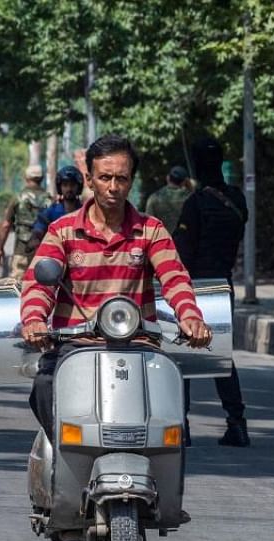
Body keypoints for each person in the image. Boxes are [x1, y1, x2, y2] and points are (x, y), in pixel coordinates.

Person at [20, 134, 212, 438]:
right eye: (105, 177)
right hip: (76, 345)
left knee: (172, 408)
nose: (113, 186)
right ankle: (60, 454)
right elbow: (38, 283)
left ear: (131, 180)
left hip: (139, 344)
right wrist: (33, 319)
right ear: (89, 179)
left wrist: (190, 315)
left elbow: (174, 277)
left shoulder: (151, 230)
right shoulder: (63, 230)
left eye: (121, 178)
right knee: (44, 385)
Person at [173, 138, 251, 447]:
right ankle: (237, 423)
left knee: (182, 355)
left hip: (194, 287)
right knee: (220, 356)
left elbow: (182, 253)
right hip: (223, 284)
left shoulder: (195, 203)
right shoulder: (236, 200)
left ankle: (182, 426)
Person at [0, 165, 52, 280]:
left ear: (26, 178)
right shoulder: (50, 200)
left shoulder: (18, 197)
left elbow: (6, 225)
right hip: (43, 249)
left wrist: (0, 248)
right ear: (42, 179)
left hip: (21, 249)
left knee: (17, 285)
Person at [26, 165, 84, 253]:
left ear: (78, 187)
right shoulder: (50, 212)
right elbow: (39, 229)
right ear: (59, 188)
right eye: (65, 185)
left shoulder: (86, 212)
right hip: (56, 257)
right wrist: (36, 238)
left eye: (72, 185)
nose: (69, 189)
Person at [144, 165, 193, 231]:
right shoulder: (190, 197)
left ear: (168, 178)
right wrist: (190, 188)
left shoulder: (154, 198)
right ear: (184, 182)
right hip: (187, 239)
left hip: (165, 239)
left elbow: (149, 223)